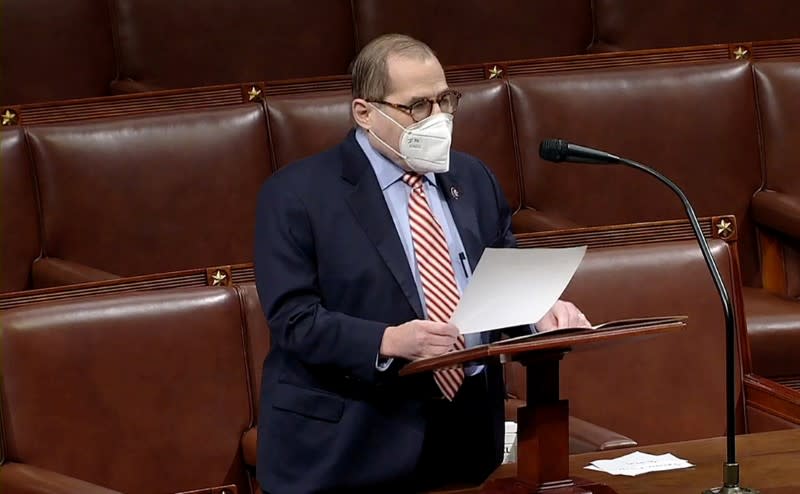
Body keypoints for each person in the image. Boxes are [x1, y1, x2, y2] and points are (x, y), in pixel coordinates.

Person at [254, 33, 589, 494]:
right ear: (364, 112)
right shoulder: (296, 195)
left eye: (445, 101)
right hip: (347, 448)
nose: (438, 119)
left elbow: (500, 284)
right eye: (417, 107)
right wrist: (389, 340)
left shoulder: (472, 177)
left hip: (462, 439)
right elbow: (293, 319)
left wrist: (538, 313)